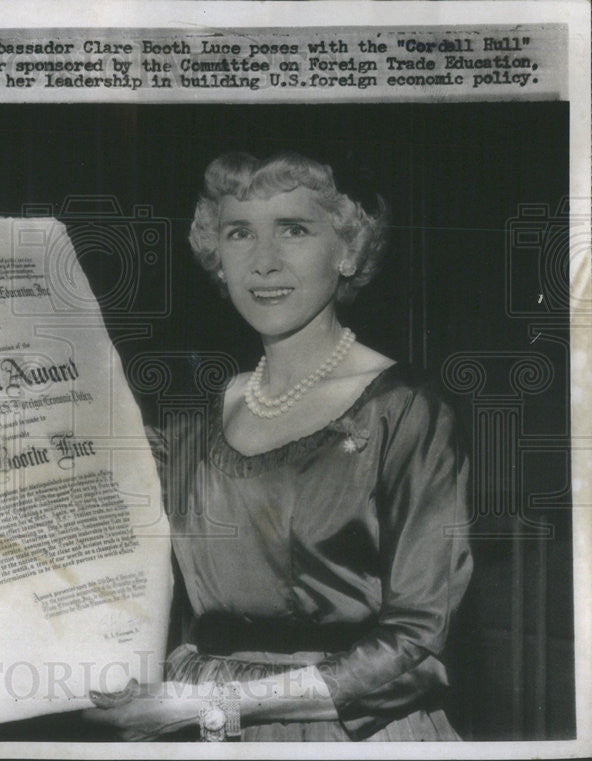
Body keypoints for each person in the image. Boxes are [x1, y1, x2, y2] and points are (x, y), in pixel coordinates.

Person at [82, 151, 474, 742]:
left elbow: (418, 644)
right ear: (217, 255)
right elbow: (77, 530)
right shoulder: (188, 421)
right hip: (190, 723)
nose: (263, 262)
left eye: (294, 229)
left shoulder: (408, 410)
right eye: (240, 232)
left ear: (348, 249)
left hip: (343, 733)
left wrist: (207, 704)